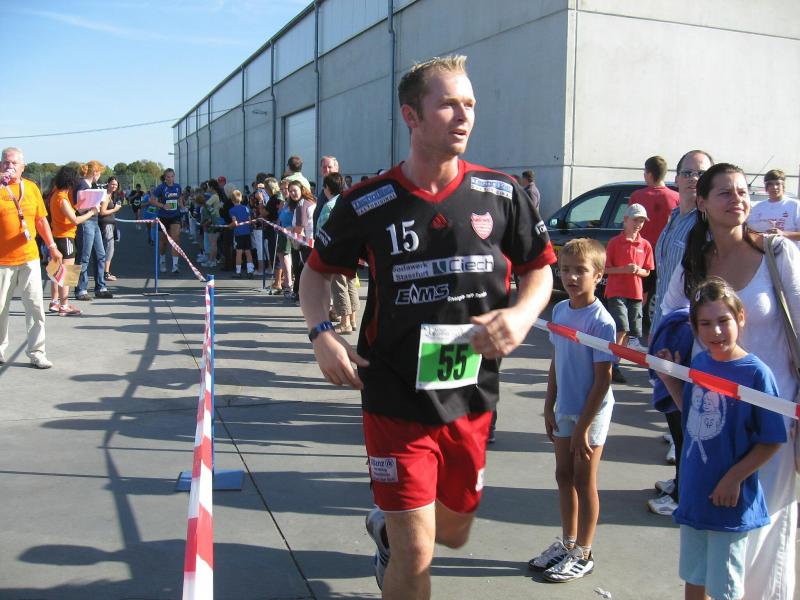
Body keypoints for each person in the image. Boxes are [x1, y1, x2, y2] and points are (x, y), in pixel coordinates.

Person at [299, 55, 555, 599]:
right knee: (417, 555)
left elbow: (540, 270)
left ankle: (388, 531)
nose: (464, 116)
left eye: (470, 105)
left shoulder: (501, 193)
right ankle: (399, 539)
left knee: (454, 533)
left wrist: (521, 314)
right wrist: (322, 334)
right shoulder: (367, 202)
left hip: (471, 394)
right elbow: (315, 274)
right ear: (411, 116)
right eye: (449, 105)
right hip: (394, 396)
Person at [661, 163, 800, 600]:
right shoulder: (694, 264)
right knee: (720, 535)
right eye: (725, 192)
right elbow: (668, 320)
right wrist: (670, 364)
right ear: (701, 203)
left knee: (766, 532)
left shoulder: (776, 253)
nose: (737, 199)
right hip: (716, 421)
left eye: (742, 191)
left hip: (775, 419)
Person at [658, 277, 785, 600]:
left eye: (723, 321)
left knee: (724, 589)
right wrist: (670, 380)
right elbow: (693, 417)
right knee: (694, 577)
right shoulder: (700, 363)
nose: (715, 331)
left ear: (740, 318)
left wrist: (733, 478)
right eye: (705, 323)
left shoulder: (756, 374)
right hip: (695, 495)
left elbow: (772, 438)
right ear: (694, 327)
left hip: (729, 504)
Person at [527, 238, 614, 582]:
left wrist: (583, 428)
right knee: (563, 475)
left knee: (583, 479)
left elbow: (603, 379)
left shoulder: (602, 321)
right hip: (565, 405)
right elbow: (557, 361)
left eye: (580, 270)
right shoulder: (561, 311)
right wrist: (549, 404)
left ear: (598, 275)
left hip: (591, 412)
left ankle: (584, 552)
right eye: (565, 270)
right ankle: (567, 543)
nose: (571, 277)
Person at [648, 149, 714, 498]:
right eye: (687, 173)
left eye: (700, 173)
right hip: (663, 323)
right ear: (676, 178)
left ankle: (684, 493)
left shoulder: (705, 225)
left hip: (686, 332)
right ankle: (681, 481)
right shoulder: (675, 217)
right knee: (671, 412)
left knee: (683, 410)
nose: (693, 179)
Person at [0, 147, 62, 368]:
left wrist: (52, 246)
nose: (10, 166)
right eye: (6, 162)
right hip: (2, 261)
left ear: (22, 167)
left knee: (35, 307)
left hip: (29, 258)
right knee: (0, 309)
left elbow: (41, 220)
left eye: (14, 163)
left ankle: (37, 352)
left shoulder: (32, 188)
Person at [604, 203, 654, 382]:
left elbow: (647, 271)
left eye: (642, 221)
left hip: (635, 293)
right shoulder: (614, 243)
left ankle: (615, 363)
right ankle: (610, 364)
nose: (638, 224)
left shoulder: (645, 245)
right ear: (625, 220)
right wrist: (624, 269)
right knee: (621, 327)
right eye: (635, 220)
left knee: (630, 332)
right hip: (616, 291)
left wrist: (638, 271)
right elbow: (605, 269)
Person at [629, 156, 680, 309]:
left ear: (650, 174)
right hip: (667, 253)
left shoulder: (637, 196)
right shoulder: (677, 198)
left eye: (645, 172)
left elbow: (629, 225)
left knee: (638, 296)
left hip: (641, 254)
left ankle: (638, 320)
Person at [47, 166, 98, 316]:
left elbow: (68, 212)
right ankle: (64, 305)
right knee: (67, 273)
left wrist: (79, 206)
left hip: (56, 236)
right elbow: (75, 220)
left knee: (56, 272)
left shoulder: (55, 194)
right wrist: (91, 212)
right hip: (66, 238)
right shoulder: (62, 198)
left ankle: (55, 301)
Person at [316, 172, 359, 333]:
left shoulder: (329, 206)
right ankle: (352, 319)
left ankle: (344, 322)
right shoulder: (347, 201)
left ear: (327, 188)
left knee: (338, 285)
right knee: (350, 284)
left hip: (336, 250)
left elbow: (324, 230)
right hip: (351, 249)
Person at [74, 160, 112, 301]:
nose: (100, 175)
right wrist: (92, 207)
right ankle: (80, 289)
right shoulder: (82, 185)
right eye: (99, 172)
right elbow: (78, 206)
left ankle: (100, 287)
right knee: (84, 256)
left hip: (94, 221)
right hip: (86, 222)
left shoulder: (92, 185)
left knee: (101, 254)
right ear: (94, 172)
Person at [747, 169, 800, 243]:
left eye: (778, 184)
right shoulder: (758, 207)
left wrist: (783, 234)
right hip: (765, 249)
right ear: (766, 187)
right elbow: (750, 232)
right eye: (770, 184)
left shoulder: (795, 205)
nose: (774, 187)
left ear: (783, 186)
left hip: (790, 249)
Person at [150, 168, 182, 274]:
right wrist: (163, 205)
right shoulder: (161, 187)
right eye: (168, 177)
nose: (170, 179)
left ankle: (175, 265)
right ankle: (162, 261)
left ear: (174, 176)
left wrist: (182, 206)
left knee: (176, 239)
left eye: (172, 176)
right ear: (165, 177)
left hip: (175, 216)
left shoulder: (177, 187)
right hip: (163, 217)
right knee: (163, 242)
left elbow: (179, 198)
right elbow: (152, 200)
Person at [288, 179, 316, 302]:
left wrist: (289, 229)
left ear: (302, 190)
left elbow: (299, 228)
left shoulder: (301, 204)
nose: (292, 193)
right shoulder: (311, 201)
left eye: (295, 190)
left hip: (305, 243)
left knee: (303, 270)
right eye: (290, 191)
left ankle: (304, 296)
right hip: (313, 241)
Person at [99, 176, 122, 281]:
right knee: (109, 247)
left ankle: (104, 272)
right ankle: (106, 273)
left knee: (107, 248)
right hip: (106, 224)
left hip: (111, 224)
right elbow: (102, 212)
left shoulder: (111, 195)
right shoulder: (106, 195)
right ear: (108, 184)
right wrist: (115, 209)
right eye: (112, 184)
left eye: (116, 184)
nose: (114, 186)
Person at [228, 189, 255, 278]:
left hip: (238, 234)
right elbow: (250, 221)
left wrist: (230, 226)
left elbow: (235, 222)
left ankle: (238, 271)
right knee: (248, 251)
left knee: (239, 252)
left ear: (232, 200)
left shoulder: (232, 210)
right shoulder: (246, 208)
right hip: (247, 233)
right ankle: (250, 271)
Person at [314, 155, 339, 233]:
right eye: (324, 167)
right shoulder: (323, 192)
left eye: (330, 167)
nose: (327, 170)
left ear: (336, 169)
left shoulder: (341, 191)